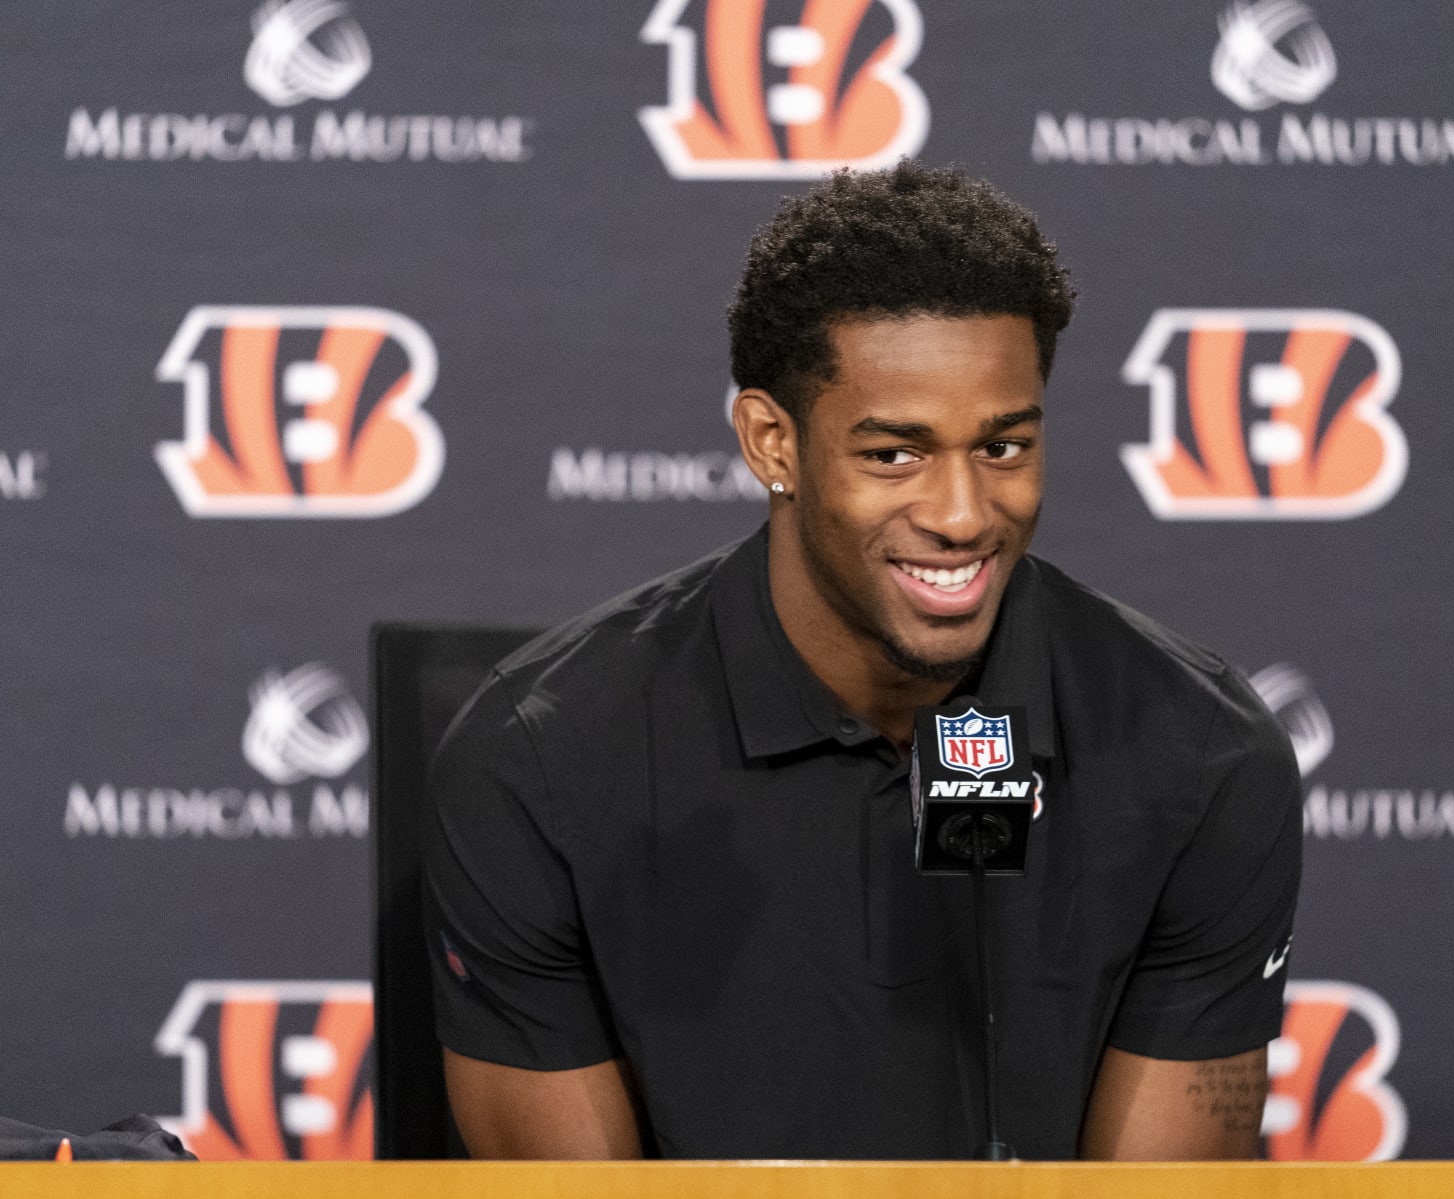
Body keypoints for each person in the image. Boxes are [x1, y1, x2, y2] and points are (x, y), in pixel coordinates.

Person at [423, 161, 1302, 1161]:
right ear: (772, 442)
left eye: (1004, 448)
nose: (963, 515)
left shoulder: (1200, 755)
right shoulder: (541, 763)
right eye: (895, 454)